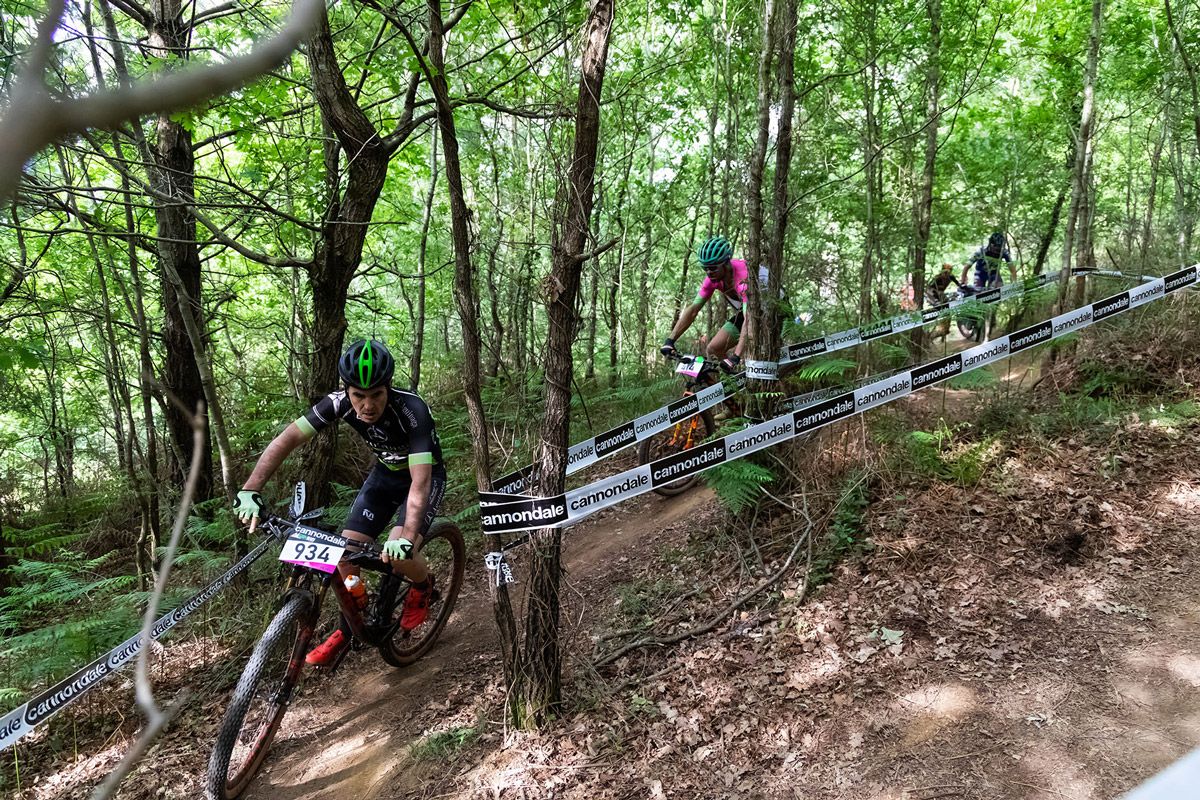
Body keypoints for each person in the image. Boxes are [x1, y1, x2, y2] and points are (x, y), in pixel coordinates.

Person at [233, 339, 447, 668]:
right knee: (344, 556)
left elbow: (420, 482)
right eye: (358, 395)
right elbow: (287, 439)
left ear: (388, 387)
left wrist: (406, 535)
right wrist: (251, 488)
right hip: (385, 475)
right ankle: (351, 625)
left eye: (376, 394)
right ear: (346, 390)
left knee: (399, 551)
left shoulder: (411, 410)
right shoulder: (337, 403)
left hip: (422, 478)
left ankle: (422, 585)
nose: (367, 405)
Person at [660, 235, 770, 373]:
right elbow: (693, 309)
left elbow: (749, 320)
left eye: (712, 268)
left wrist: (735, 357)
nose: (708, 272)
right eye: (705, 268)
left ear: (726, 263)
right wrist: (670, 341)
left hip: (774, 311)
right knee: (713, 349)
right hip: (750, 311)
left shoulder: (743, 279)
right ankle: (735, 387)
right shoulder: (712, 280)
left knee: (762, 350)